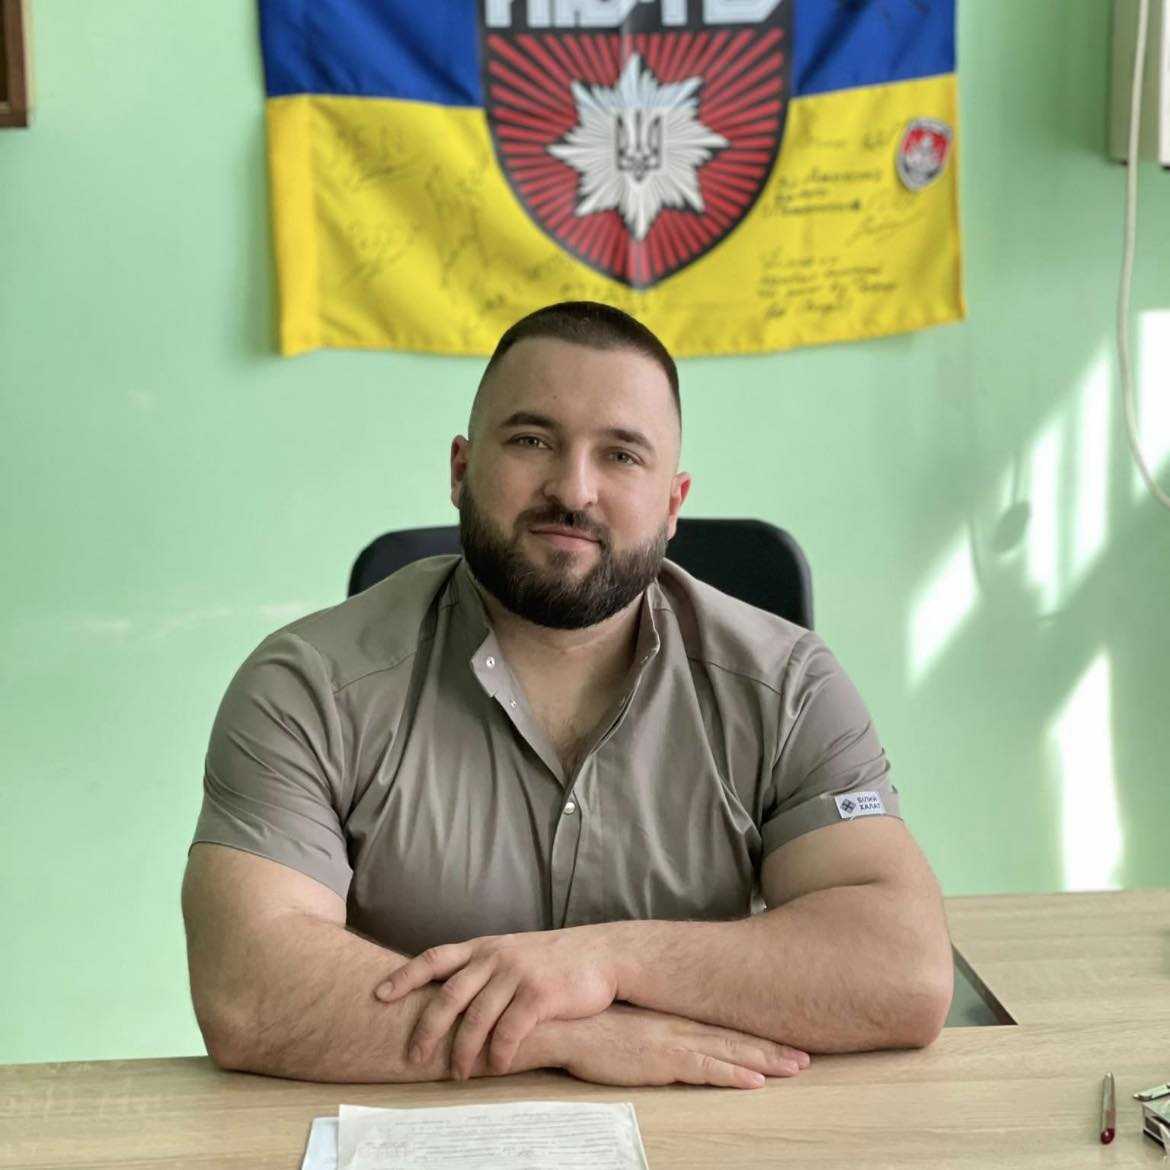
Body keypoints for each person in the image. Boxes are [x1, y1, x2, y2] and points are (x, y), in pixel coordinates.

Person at [182, 302, 953, 1091]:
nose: (573, 490)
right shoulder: (310, 683)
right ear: (460, 470)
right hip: (415, 1126)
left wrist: (607, 961)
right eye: (531, 441)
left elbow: (905, 970)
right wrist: (569, 1034)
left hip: (703, 1125)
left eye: (621, 455)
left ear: (673, 503)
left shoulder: (788, 686)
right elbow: (248, 990)